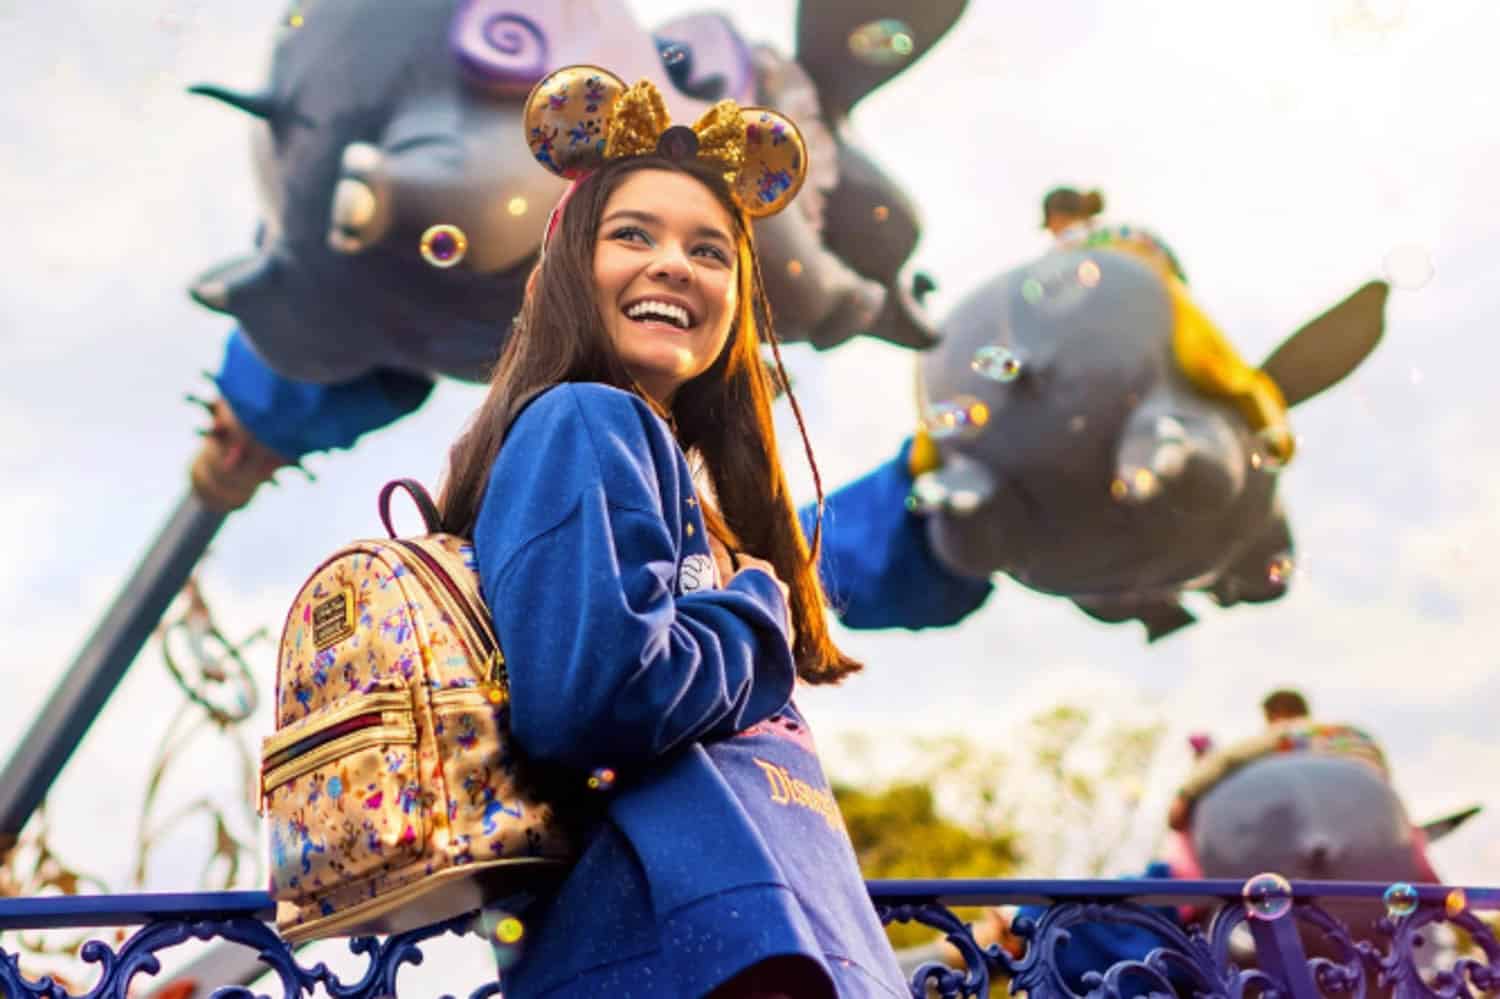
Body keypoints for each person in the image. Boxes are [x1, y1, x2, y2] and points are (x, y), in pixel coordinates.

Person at [436, 67, 909, 998]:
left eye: (711, 250)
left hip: (753, 951)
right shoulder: (584, 420)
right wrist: (754, 610)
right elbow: (593, 705)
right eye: (632, 235)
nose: (674, 264)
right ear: (570, 269)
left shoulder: (654, 462)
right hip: (686, 960)